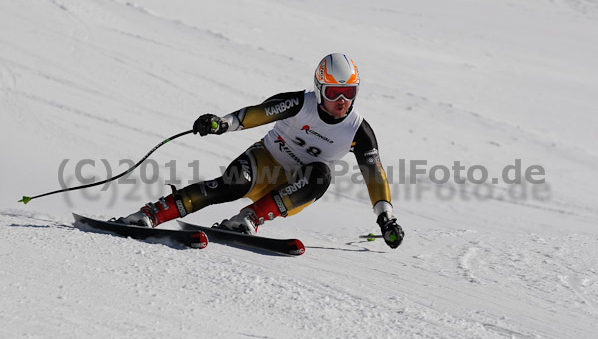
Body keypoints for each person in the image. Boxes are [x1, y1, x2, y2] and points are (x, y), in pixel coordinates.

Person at [117, 53, 404, 249]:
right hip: (263, 162)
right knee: (228, 186)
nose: (342, 101)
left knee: (321, 174)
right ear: (319, 89)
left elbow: (375, 175)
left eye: (349, 93)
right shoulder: (297, 103)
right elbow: (255, 114)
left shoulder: (358, 130)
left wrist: (386, 217)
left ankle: (248, 219)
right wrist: (220, 123)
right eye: (332, 93)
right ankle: (150, 215)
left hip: (296, 188)